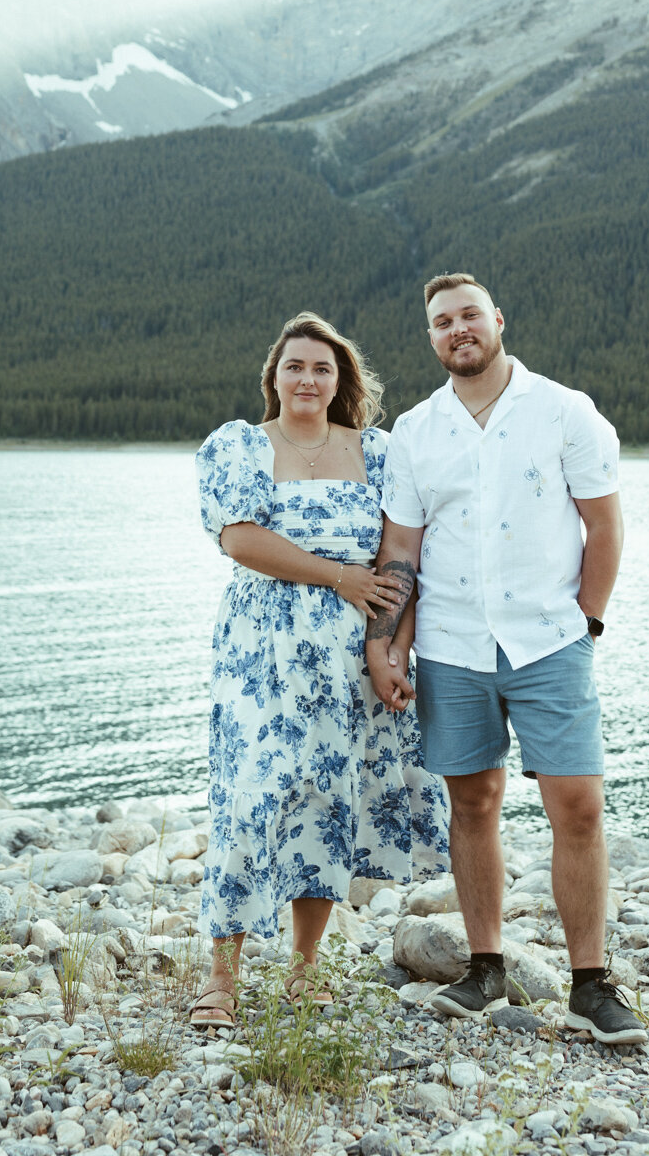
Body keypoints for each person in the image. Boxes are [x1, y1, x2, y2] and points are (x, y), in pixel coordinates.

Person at [365, 273, 646, 1045]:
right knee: (473, 804)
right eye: (440, 322)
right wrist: (388, 642)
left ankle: (590, 984)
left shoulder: (565, 412)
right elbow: (399, 553)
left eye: (467, 316)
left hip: (549, 641)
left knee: (578, 806)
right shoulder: (417, 433)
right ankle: (483, 968)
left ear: (496, 320)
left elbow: (604, 528)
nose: (456, 329)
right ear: (430, 338)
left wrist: (587, 620)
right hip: (452, 647)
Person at [191, 310, 448, 1029]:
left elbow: (401, 559)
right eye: (295, 366)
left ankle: (305, 969)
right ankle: (221, 972)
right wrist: (338, 576)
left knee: (329, 800)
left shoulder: (376, 451)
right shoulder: (240, 446)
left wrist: (390, 648)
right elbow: (240, 540)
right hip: (260, 649)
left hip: (345, 654)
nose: (307, 378)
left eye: (322, 368)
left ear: (342, 382)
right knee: (250, 796)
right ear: (274, 376)